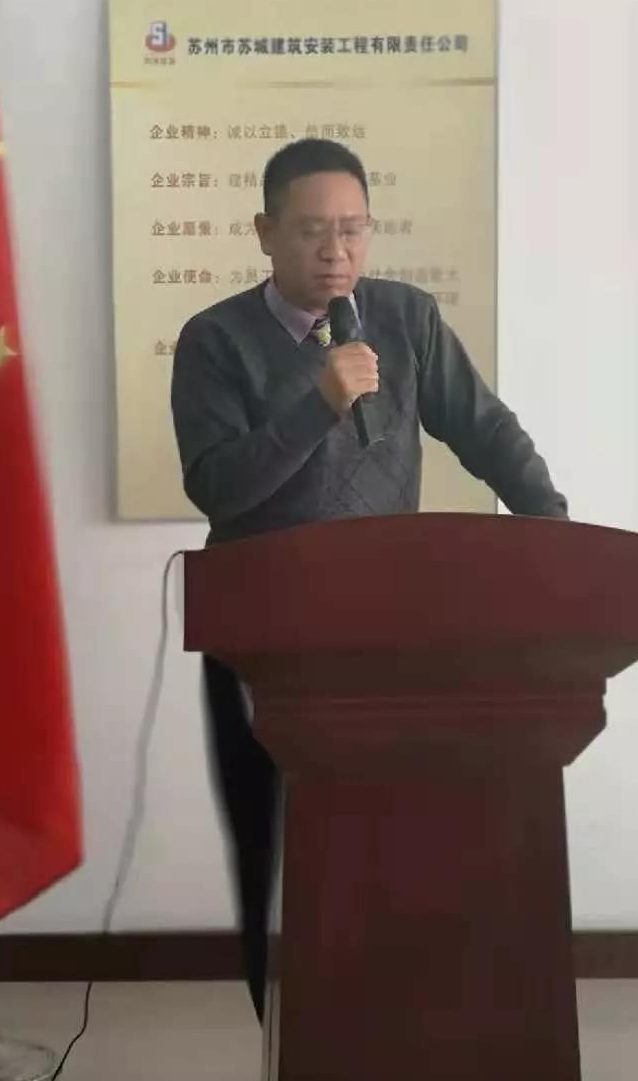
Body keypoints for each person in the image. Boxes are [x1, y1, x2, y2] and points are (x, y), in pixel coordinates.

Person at [171, 138, 567, 1021]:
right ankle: (286, 1049)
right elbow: (219, 486)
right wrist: (320, 401)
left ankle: (387, 1044)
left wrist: (553, 530)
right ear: (265, 232)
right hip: (259, 639)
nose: (336, 251)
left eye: (353, 230)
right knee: (272, 854)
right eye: (313, 230)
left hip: (389, 635)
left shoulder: (404, 317)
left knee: (397, 848)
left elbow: (487, 431)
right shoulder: (214, 341)